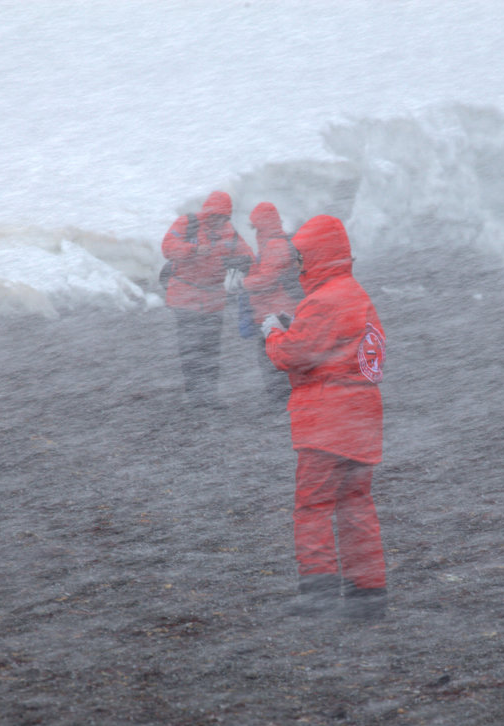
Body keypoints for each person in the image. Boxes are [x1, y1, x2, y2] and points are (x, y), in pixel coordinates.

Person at [262, 215, 387, 620]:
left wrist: (273, 333)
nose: (298, 264)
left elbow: (295, 354)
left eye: (302, 255)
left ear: (316, 255)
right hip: (362, 418)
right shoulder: (357, 294)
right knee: (356, 504)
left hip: (326, 422)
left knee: (313, 506)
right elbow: (368, 355)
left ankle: (317, 595)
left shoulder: (322, 300)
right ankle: (368, 595)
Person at [161, 191, 253, 408]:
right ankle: (196, 397)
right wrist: (192, 250)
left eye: (223, 217)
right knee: (191, 349)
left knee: (211, 350)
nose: (218, 221)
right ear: (207, 211)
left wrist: (241, 261)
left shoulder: (229, 232)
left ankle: (209, 396)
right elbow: (168, 248)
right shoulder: (187, 223)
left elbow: (247, 254)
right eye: (215, 216)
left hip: (214, 300)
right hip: (185, 298)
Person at [243, 202, 302, 404]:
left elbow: (268, 279)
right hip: (278, 308)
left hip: (276, 311)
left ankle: (281, 399)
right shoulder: (274, 242)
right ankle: (284, 396)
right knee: (277, 354)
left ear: (262, 224)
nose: (253, 230)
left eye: (255, 225)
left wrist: (245, 283)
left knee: (274, 355)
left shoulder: (274, 245)